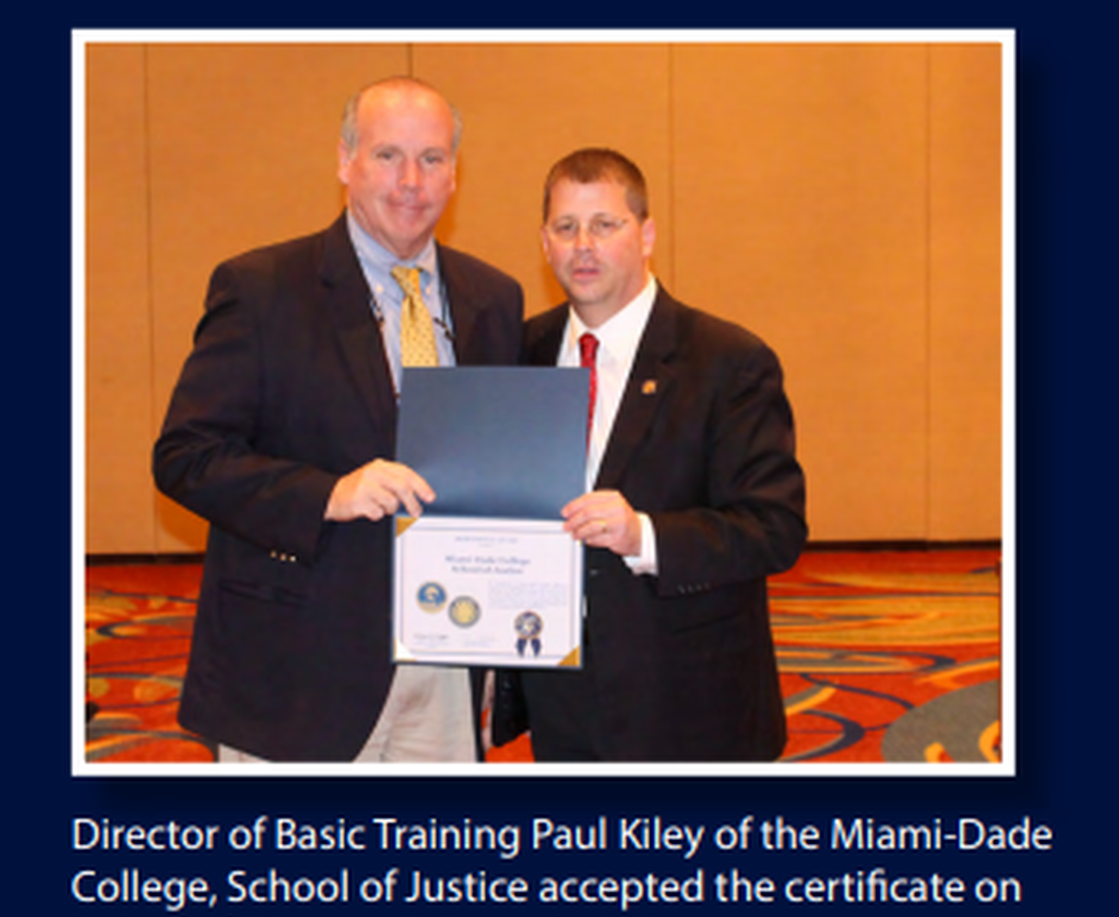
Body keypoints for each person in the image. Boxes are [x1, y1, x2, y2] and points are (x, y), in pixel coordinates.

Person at [153, 78, 524, 762]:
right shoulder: (262, 288)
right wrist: (329, 493)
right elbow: (187, 455)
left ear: (455, 172)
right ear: (344, 161)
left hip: (444, 661)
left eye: (433, 158)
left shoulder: (493, 299)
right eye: (388, 156)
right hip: (297, 663)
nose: (411, 181)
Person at [509, 148, 806, 762]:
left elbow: (774, 529)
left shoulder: (728, 362)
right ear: (545, 243)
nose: (583, 245)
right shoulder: (518, 353)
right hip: (558, 694)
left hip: (690, 698)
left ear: (645, 235)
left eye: (605, 225)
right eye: (566, 228)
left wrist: (643, 533)